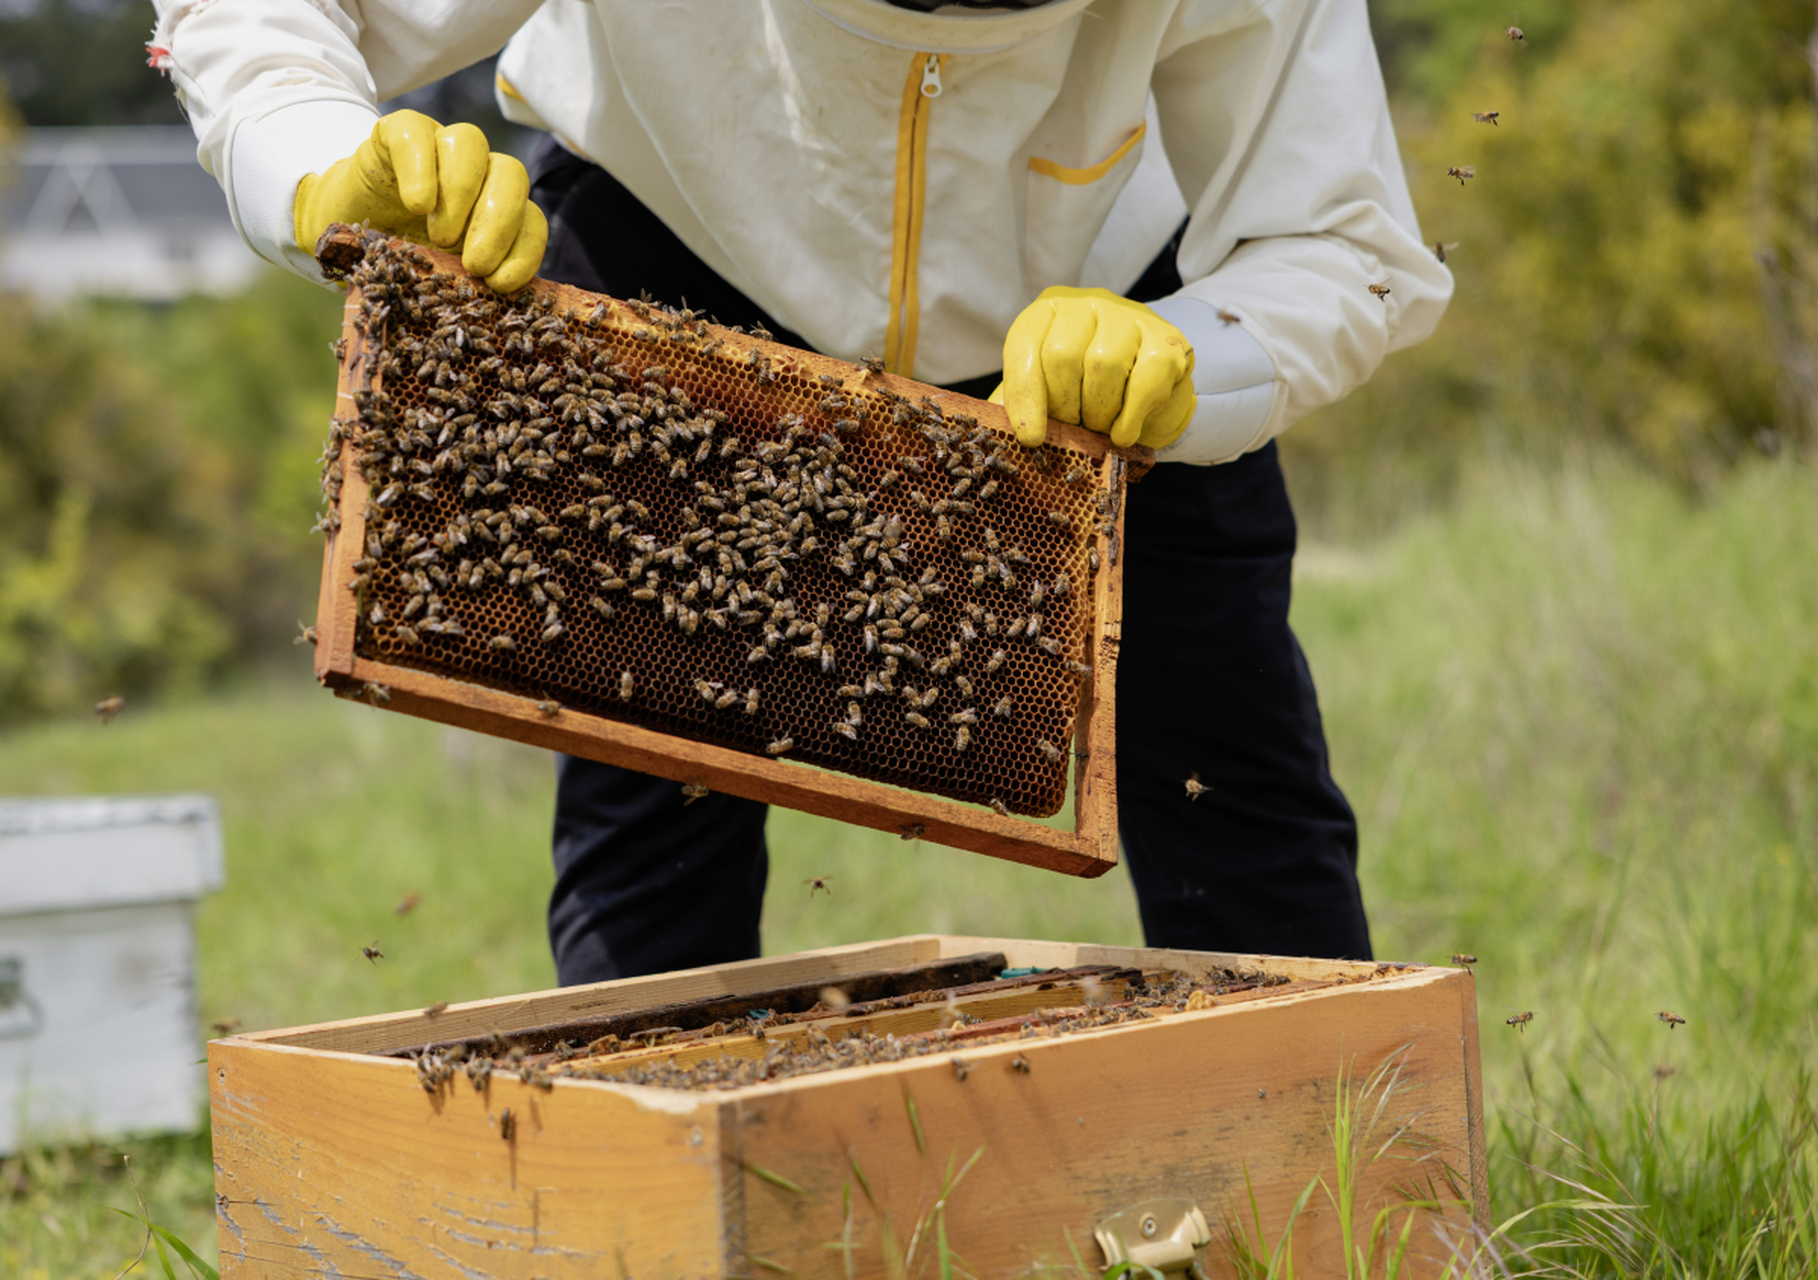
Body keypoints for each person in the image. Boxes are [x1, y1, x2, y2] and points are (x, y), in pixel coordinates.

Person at [153, 0, 1451, 981]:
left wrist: (1190, 361)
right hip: (684, 229)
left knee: (1230, 796)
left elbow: (1340, 241)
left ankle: (1337, 1211)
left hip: (1092, 318)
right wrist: (318, 164)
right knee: (655, 814)